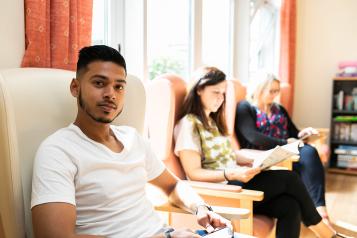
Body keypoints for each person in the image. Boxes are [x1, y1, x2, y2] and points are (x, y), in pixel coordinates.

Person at [30, 45, 230, 238]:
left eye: (119, 86)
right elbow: (54, 236)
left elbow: (173, 186)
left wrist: (201, 207)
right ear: (75, 87)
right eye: (99, 83)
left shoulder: (132, 138)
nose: (111, 94)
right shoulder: (58, 151)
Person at [174, 66, 345, 238]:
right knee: (289, 178)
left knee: (290, 206)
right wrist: (233, 173)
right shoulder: (189, 125)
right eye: (215, 92)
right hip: (220, 192)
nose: (220, 98)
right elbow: (193, 173)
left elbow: (232, 155)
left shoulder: (213, 121)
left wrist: (261, 157)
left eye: (223, 93)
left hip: (233, 183)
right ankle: (327, 234)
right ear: (199, 90)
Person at [234, 73, 330, 224]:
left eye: (276, 91)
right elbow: (252, 136)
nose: (274, 95)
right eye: (271, 91)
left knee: (310, 151)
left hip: (287, 150)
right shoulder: (245, 107)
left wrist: (302, 134)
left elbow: (293, 132)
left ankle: (320, 209)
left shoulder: (279, 109)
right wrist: (284, 142)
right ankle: (315, 215)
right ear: (259, 89)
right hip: (263, 153)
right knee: (305, 158)